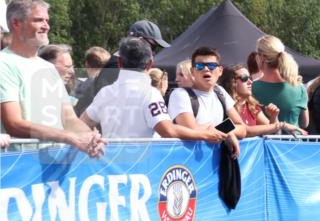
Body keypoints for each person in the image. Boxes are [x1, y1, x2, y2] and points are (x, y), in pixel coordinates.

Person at [0, 0, 103, 157]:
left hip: (53, 167)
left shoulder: (48, 68)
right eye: (39, 20)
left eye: (47, 20)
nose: (46, 26)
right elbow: (14, 124)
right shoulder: (4, 63)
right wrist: (68, 137)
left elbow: (68, 118)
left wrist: (90, 137)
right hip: (20, 168)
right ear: (16, 23)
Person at [80, 37, 227, 143]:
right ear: (150, 64)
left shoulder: (105, 93)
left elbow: (81, 124)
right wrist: (207, 134)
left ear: (119, 62)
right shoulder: (155, 94)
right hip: (142, 170)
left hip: (110, 168)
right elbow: (169, 131)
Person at [73, 19, 170, 115]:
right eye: (152, 47)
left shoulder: (120, 64)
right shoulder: (117, 67)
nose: (153, 52)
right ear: (138, 40)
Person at [167, 47, 245, 157]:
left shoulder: (220, 92)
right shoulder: (180, 94)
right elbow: (191, 129)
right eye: (200, 66)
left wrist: (229, 132)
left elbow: (241, 128)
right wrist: (226, 132)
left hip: (217, 164)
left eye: (212, 66)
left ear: (220, 71)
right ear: (192, 71)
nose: (206, 69)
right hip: (187, 163)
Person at [220, 64, 304, 136]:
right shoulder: (225, 108)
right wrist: (282, 125)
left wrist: (273, 117)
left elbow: (274, 134)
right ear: (231, 82)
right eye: (244, 78)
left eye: (250, 78)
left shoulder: (252, 106)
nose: (250, 82)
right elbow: (245, 131)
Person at [251, 34, 309, 130]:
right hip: (295, 142)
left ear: (261, 58)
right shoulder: (299, 87)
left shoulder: (251, 88)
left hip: (264, 143)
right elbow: (304, 123)